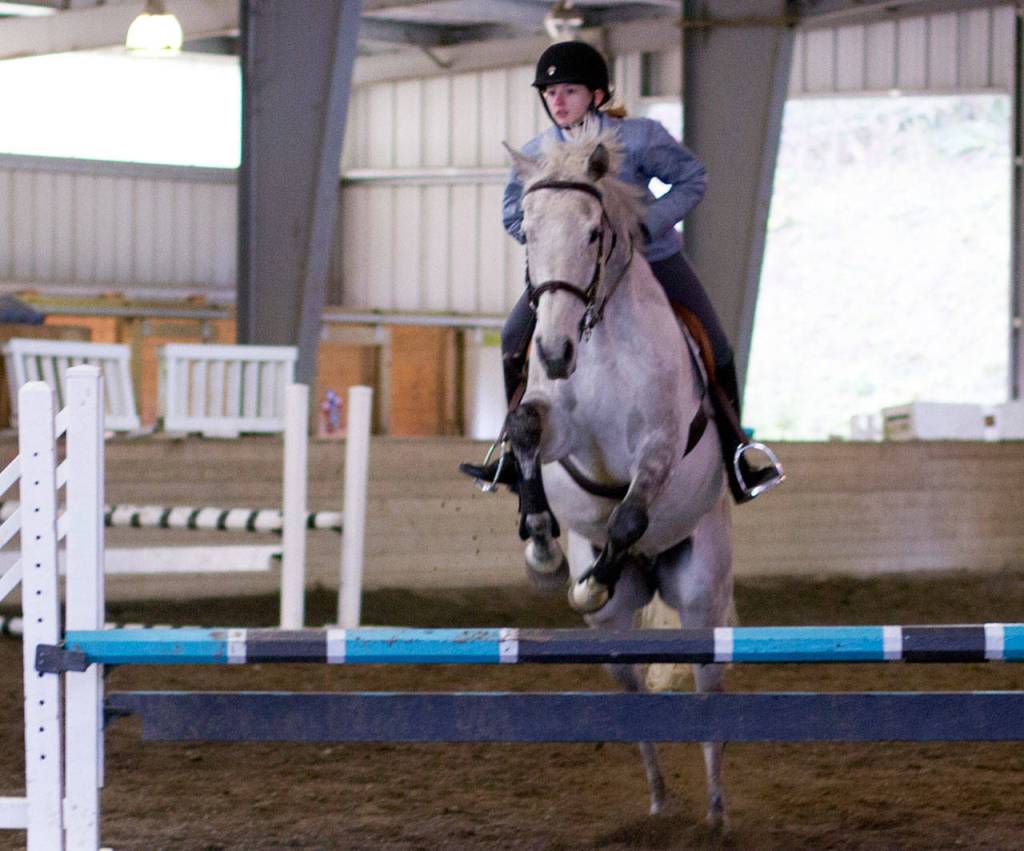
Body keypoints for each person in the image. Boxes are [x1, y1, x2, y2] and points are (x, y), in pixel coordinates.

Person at [460, 40, 783, 504]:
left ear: (596, 94)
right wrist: (561, 245)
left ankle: (739, 454)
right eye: (549, 92)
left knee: (718, 343)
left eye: (568, 90)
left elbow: (693, 178)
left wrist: (646, 225)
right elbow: (514, 215)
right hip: (573, 277)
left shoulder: (640, 137)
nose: (557, 100)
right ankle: (512, 454)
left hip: (654, 260)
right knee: (514, 338)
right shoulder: (536, 154)